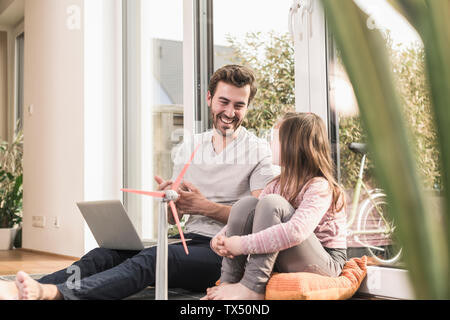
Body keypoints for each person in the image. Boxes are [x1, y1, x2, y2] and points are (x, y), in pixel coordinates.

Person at [0, 65, 276, 300]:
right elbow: (174, 220)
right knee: (106, 254)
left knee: (155, 259)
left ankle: (58, 294)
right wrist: (172, 205)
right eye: (223, 102)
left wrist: (205, 207)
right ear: (209, 99)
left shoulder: (258, 151)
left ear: (247, 107)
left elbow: (259, 219)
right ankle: (26, 287)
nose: (230, 112)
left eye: (239, 105)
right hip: (186, 240)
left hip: (224, 253)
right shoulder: (193, 145)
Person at [203, 112, 348, 300]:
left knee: (272, 204)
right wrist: (221, 238)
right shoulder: (275, 185)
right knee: (248, 204)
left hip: (325, 262)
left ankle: (252, 287)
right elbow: (248, 216)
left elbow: (295, 231)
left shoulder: (319, 186)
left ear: (293, 146)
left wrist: (241, 245)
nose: (269, 144)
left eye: (275, 139)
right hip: (290, 256)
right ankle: (228, 282)